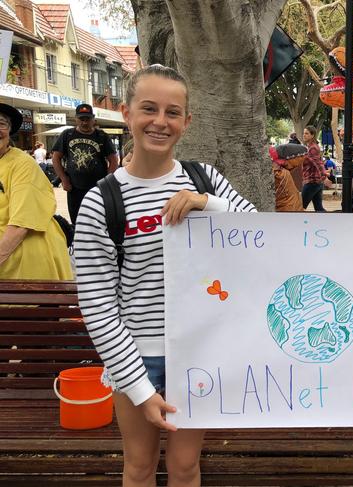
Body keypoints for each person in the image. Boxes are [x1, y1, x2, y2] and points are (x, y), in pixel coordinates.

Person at [73, 64, 256, 487]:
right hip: (136, 355)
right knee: (138, 468)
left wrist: (206, 203)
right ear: (126, 113)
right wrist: (138, 385)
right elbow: (99, 305)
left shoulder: (205, 178)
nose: (160, 122)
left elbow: (258, 230)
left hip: (198, 352)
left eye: (173, 112)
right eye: (149, 108)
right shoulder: (101, 202)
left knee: (186, 467)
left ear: (187, 121)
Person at [0, 103, 72, 279]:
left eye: (1, 123)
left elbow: (20, 225)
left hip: (23, 265)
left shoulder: (22, 164)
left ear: (9, 131)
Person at [52, 103, 119, 224]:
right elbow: (56, 157)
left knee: (98, 219)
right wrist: (64, 179)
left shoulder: (101, 136)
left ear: (93, 119)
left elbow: (113, 160)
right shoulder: (67, 135)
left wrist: (106, 182)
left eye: (87, 119)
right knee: (77, 220)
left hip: (97, 188)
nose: (84, 122)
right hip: (75, 188)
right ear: (76, 119)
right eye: (81, 119)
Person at [270, 143, 306, 212]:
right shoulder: (280, 173)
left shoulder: (278, 169)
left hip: (290, 209)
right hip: (289, 211)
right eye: (301, 157)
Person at [301, 125, 327, 212]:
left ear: (312, 135)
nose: (304, 135)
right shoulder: (310, 147)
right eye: (304, 133)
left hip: (312, 181)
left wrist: (324, 176)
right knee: (319, 208)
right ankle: (330, 223)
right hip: (316, 182)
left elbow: (318, 164)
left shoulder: (313, 148)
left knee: (300, 207)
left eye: (306, 133)